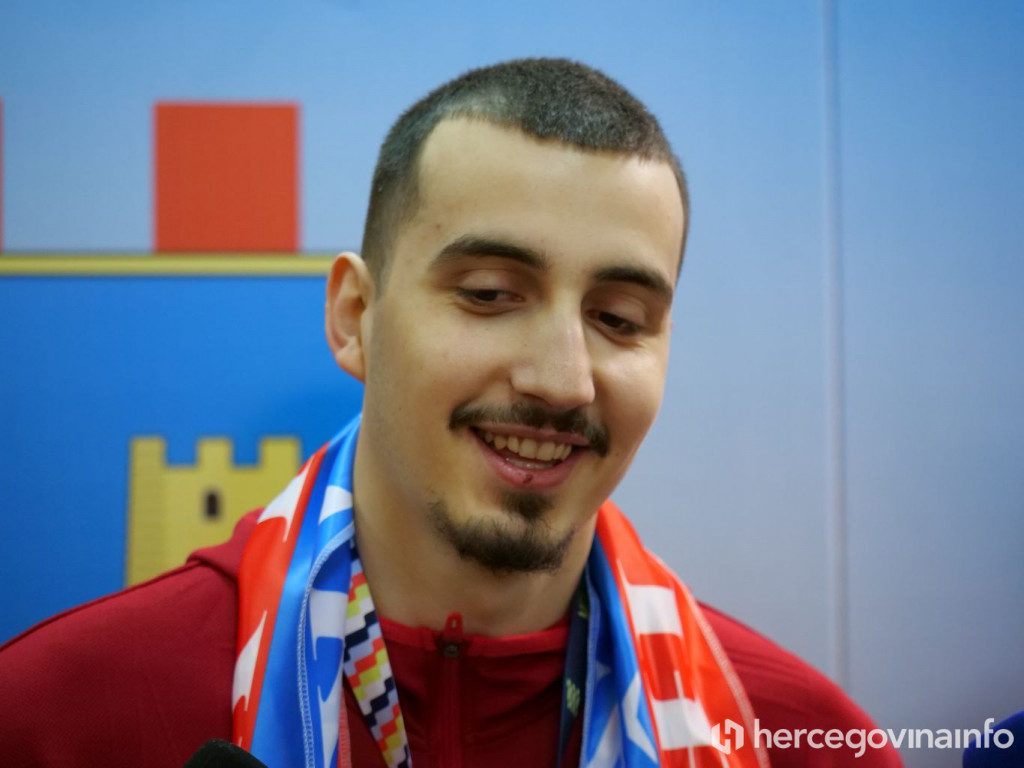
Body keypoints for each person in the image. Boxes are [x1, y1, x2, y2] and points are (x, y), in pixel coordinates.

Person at [0, 59, 901, 768]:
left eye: (619, 318)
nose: (563, 380)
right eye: (490, 294)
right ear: (355, 317)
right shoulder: (59, 717)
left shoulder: (801, 740)